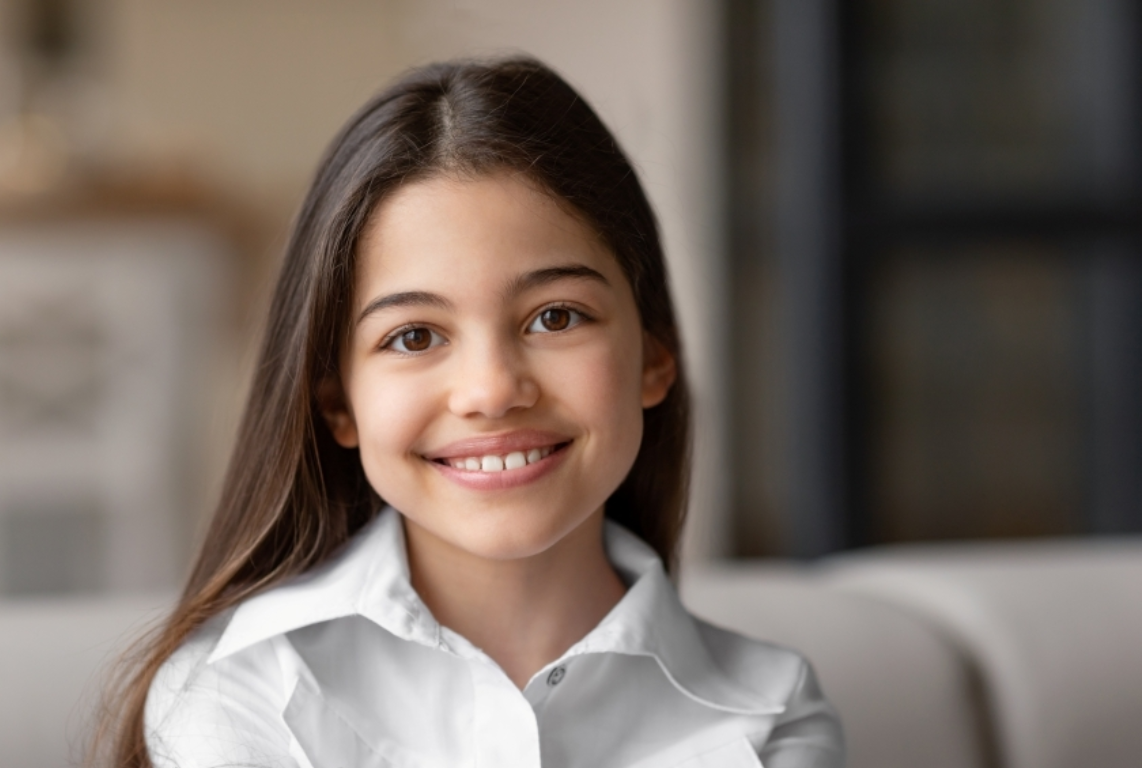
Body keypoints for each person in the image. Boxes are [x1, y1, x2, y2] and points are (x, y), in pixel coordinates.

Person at [99, 56, 844, 768]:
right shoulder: (240, 691)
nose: (490, 390)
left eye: (556, 317)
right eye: (414, 336)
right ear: (338, 405)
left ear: (654, 357)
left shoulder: (771, 713)